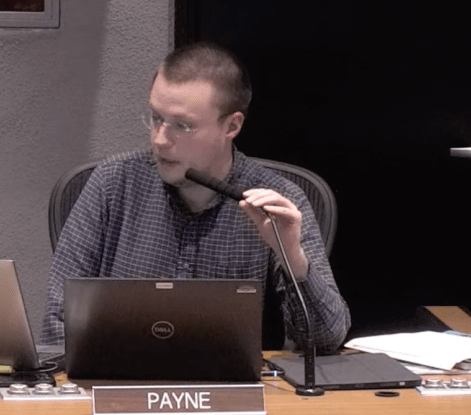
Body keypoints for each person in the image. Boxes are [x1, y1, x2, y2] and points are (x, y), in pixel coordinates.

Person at [42, 42, 350, 353]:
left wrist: (291, 256)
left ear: (232, 125)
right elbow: (58, 323)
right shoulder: (113, 183)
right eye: (156, 118)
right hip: (116, 376)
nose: (160, 140)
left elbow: (325, 341)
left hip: (232, 380)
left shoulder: (277, 201)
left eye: (182, 126)